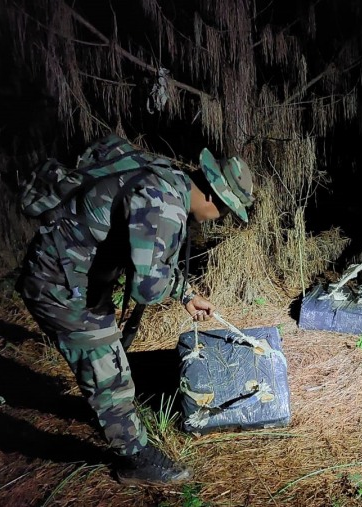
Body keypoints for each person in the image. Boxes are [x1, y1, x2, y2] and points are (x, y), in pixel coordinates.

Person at [16, 134, 255, 485]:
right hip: (60, 281)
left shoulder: (168, 179)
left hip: (76, 273)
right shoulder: (165, 203)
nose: (217, 219)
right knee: (108, 369)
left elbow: (143, 252)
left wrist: (186, 293)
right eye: (223, 211)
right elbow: (146, 287)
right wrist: (166, 276)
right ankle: (135, 459)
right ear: (211, 195)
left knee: (108, 362)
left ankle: (113, 416)